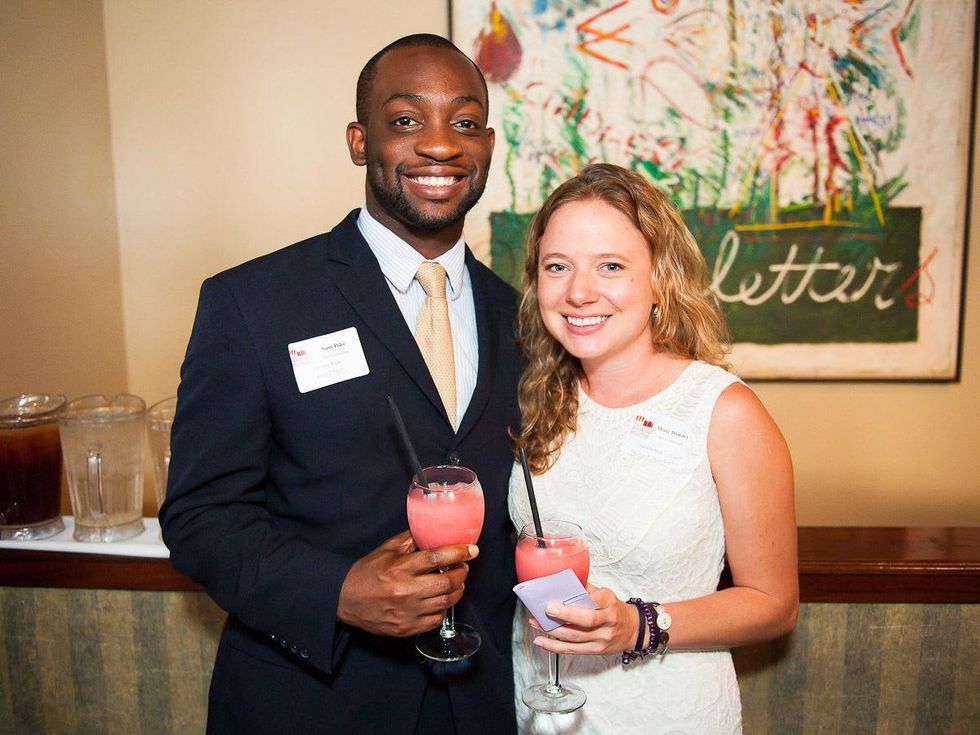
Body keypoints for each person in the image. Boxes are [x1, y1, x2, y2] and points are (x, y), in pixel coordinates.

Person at [160, 34, 520, 734]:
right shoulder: (253, 302)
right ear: (360, 142)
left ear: (488, 145)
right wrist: (339, 591)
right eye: (406, 120)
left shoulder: (523, 319)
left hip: (479, 703)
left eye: (465, 121)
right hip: (311, 703)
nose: (440, 144)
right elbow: (201, 517)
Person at [508, 163, 798, 733]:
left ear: (660, 279)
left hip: (665, 713)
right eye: (557, 266)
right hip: (539, 709)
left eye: (611, 266)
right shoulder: (537, 396)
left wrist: (637, 625)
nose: (579, 292)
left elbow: (774, 603)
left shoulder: (724, 411)